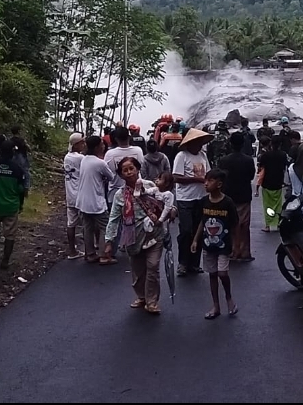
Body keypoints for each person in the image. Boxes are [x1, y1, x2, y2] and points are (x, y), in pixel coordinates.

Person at [105, 156, 174, 315]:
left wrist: (172, 211)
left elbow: (166, 201)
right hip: (133, 237)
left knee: (152, 267)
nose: (129, 172)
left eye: (132, 168)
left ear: (137, 169)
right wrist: (109, 241)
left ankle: (152, 301)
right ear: (121, 175)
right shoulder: (119, 196)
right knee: (138, 271)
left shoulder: (150, 186)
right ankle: (141, 296)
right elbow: (114, 218)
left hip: (154, 234)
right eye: (125, 170)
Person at [190, 168, 240, 319]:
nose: (206, 183)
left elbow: (235, 225)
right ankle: (216, 306)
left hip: (224, 245)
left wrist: (236, 245)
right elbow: (202, 222)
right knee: (212, 274)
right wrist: (195, 240)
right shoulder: (204, 202)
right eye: (205, 180)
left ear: (219, 184)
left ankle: (229, 297)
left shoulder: (227, 202)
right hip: (208, 245)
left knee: (222, 273)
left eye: (210, 180)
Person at [173, 127, 213, 276]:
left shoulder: (203, 155)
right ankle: (183, 263)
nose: (200, 145)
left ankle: (194, 263)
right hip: (185, 198)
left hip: (201, 197)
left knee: (198, 231)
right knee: (186, 231)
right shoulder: (182, 156)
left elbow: (208, 172)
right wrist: (197, 179)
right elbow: (176, 177)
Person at [0, 141, 28, 270]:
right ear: (13, 153)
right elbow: (21, 190)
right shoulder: (17, 169)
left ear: (0, 151)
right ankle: (5, 261)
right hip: (11, 206)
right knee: (10, 235)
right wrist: (20, 205)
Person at [78, 135, 116, 263]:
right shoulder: (100, 163)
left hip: (83, 200)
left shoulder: (84, 159)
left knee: (88, 227)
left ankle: (90, 253)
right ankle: (103, 255)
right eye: (101, 144)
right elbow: (111, 177)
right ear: (96, 147)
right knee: (105, 226)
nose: (103, 146)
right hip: (96, 201)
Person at [219, 132, 256, 261]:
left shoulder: (224, 160)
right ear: (242, 144)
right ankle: (244, 252)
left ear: (230, 144)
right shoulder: (248, 160)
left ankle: (232, 250)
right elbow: (251, 176)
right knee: (244, 224)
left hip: (228, 195)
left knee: (230, 223)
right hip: (244, 194)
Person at [257, 134, 290, 233]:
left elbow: (261, 168)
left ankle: (268, 225)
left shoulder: (265, 156)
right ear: (280, 144)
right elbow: (286, 167)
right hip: (278, 182)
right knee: (278, 204)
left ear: (271, 144)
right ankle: (278, 222)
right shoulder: (283, 155)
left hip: (267, 183)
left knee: (267, 205)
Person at [63, 132, 86, 260]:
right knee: (87, 224)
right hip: (80, 194)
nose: (84, 144)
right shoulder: (80, 158)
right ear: (76, 144)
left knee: (71, 224)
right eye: (82, 142)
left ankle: (72, 251)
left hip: (70, 194)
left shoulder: (67, 157)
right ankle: (90, 249)